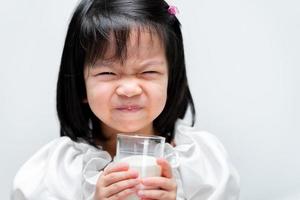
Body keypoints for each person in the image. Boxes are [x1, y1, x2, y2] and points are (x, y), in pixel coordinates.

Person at [11, 0, 240, 199]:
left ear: (170, 80)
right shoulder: (56, 173)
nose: (129, 89)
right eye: (108, 73)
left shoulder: (201, 162)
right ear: (81, 86)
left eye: (148, 72)